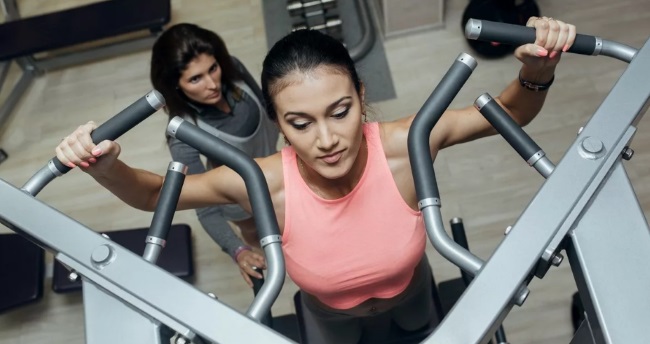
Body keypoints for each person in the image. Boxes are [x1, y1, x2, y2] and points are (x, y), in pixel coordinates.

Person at [56, 16, 575, 343]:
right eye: (300, 123)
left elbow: (510, 112)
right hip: (331, 318)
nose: (326, 139)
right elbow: (152, 194)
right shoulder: (263, 183)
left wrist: (540, 68)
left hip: (412, 293)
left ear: (362, 96)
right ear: (279, 123)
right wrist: (103, 166)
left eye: (341, 111)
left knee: (420, 329)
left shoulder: (406, 143)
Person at [149, 23, 279, 286]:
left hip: (276, 165)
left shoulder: (233, 69)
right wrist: (238, 250)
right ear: (175, 85)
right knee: (257, 229)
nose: (212, 84)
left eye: (213, 69)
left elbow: (270, 108)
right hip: (242, 199)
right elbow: (205, 209)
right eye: (195, 79)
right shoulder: (184, 133)